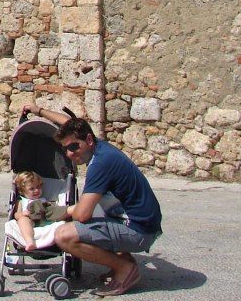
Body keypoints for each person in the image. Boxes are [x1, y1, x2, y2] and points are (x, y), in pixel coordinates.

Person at [24, 103, 162, 297]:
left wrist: (60, 212)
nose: (70, 154)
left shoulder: (101, 164)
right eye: (65, 150)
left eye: (73, 147)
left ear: (88, 140)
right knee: (91, 214)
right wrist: (38, 110)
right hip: (143, 222)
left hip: (139, 231)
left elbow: (81, 215)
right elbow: (70, 123)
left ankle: (124, 269)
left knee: (64, 234)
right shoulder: (99, 146)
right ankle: (125, 259)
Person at [12, 170, 69, 250]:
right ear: (22, 191)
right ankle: (29, 241)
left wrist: (50, 205)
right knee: (22, 220)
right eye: (31, 189)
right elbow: (16, 214)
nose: (36, 190)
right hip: (30, 220)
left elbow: (51, 210)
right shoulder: (21, 200)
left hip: (45, 219)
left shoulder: (43, 200)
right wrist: (23, 214)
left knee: (58, 213)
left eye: (38, 187)